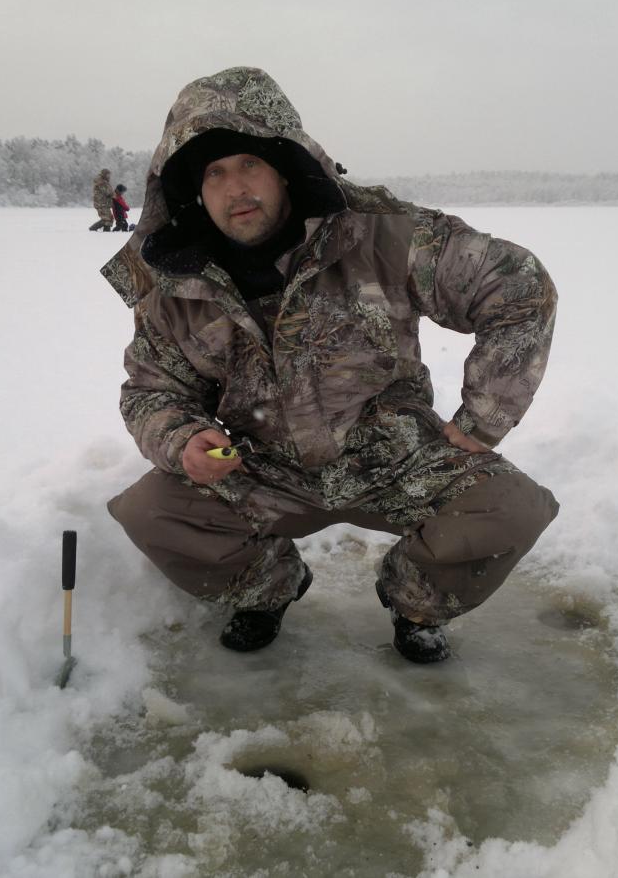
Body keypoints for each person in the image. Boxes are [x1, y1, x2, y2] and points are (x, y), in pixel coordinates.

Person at [102, 67, 559, 664]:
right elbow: (151, 390)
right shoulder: (174, 283)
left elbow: (518, 288)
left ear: (284, 164)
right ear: (193, 189)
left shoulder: (383, 235)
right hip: (261, 463)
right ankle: (268, 588)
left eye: (249, 163)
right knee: (153, 512)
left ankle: (416, 602)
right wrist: (183, 438)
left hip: (395, 455)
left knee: (510, 508)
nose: (235, 188)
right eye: (214, 173)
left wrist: (483, 417)